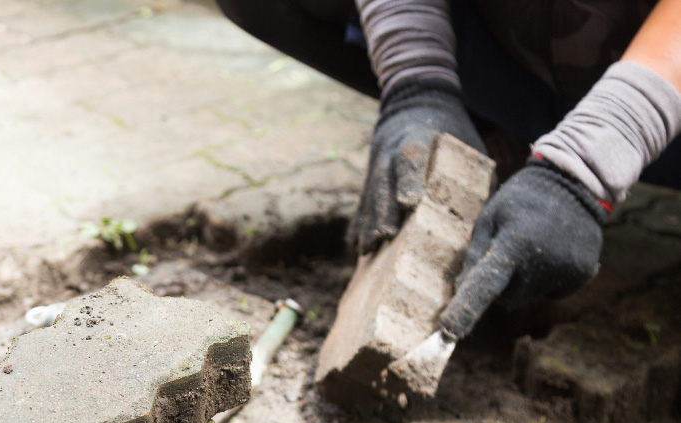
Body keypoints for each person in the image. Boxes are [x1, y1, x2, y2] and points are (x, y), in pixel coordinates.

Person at [216, 0, 681, 341]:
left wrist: (589, 165)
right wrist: (416, 81)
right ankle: (494, 137)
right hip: (515, 52)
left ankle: (567, 151)